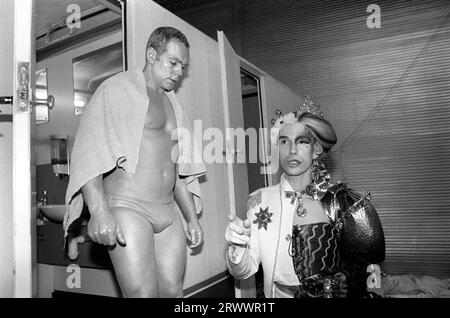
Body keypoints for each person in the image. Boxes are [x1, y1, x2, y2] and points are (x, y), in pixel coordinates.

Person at [63, 26, 206, 297]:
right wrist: (99, 211)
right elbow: (90, 153)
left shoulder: (174, 105)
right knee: (142, 294)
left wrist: (192, 219)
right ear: (152, 54)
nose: (178, 72)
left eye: (183, 67)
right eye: (173, 63)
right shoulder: (116, 90)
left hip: (167, 211)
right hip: (128, 207)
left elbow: (179, 170)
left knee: (173, 292)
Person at [225, 95, 385, 298]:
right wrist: (237, 248)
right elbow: (244, 270)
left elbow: (372, 268)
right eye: (284, 142)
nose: (292, 150)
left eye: (302, 142)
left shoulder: (342, 202)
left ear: (316, 149)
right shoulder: (259, 200)